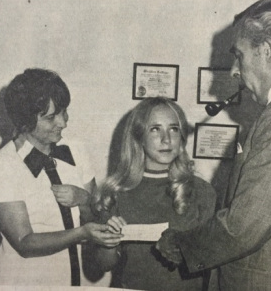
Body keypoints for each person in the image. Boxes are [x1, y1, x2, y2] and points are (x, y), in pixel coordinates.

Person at [156, 0, 271, 291]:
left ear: (266, 51)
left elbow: (246, 225)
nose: (235, 70)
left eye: (239, 56)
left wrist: (182, 245)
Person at [0, 68, 110, 286]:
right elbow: (25, 243)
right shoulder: (2, 165)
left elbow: (96, 215)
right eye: (51, 117)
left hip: (71, 278)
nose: (63, 123)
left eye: (64, 112)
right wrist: (81, 233)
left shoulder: (76, 151)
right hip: (23, 281)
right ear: (24, 121)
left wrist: (84, 199)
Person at [90, 97, 216, 291]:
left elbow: (214, 261)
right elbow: (103, 266)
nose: (166, 139)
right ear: (139, 136)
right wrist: (109, 243)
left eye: (173, 129)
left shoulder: (202, 191)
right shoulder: (115, 192)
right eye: (155, 129)